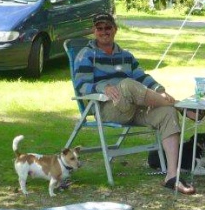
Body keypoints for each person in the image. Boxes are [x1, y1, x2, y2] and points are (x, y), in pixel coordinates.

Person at [73, 12, 197, 195]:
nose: (104, 31)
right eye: (99, 28)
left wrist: (160, 89)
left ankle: (172, 176)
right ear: (94, 31)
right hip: (107, 108)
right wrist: (103, 87)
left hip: (133, 108)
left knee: (166, 114)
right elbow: (81, 85)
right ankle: (177, 105)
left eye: (108, 27)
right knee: (129, 85)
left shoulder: (126, 56)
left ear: (115, 29)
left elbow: (142, 77)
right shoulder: (86, 54)